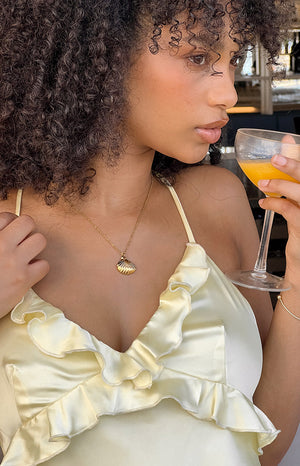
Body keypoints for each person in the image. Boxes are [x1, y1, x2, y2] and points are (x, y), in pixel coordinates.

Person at [0, 0, 299, 465]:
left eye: (233, 61)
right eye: (199, 58)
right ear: (99, 55)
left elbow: (265, 447)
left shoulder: (217, 202)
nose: (227, 94)